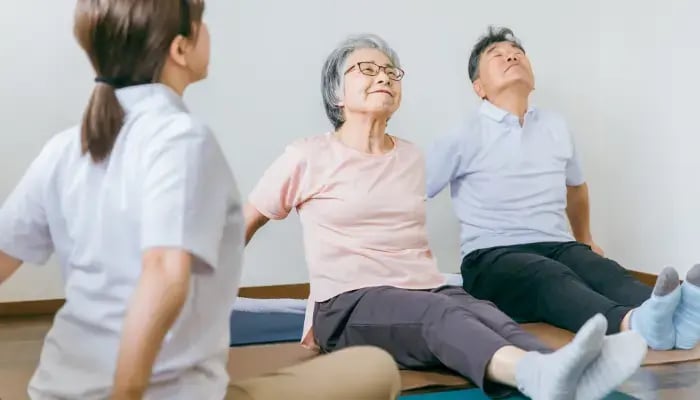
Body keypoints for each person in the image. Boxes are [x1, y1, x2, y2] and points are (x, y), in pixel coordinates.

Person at [0, 1, 400, 399]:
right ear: (180, 49)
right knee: (376, 368)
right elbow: (163, 272)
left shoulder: (66, 146)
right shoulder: (182, 140)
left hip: (52, 390)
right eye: (201, 23)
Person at [244, 32, 647, 400]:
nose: (383, 76)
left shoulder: (410, 156)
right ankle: (532, 373)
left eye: (390, 71)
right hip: (347, 303)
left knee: (484, 313)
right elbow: (246, 221)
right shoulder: (307, 155)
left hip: (424, 288)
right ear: (336, 93)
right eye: (367, 69)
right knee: (439, 314)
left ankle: (566, 370)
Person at [425, 26, 700, 352]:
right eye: (497, 55)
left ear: (533, 79)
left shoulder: (555, 126)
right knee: (549, 275)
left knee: (605, 272)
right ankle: (634, 324)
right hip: (492, 258)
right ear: (479, 87)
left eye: (517, 52)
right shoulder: (461, 135)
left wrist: (584, 239)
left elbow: (576, 188)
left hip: (558, 244)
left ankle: (684, 316)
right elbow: (411, 194)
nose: (511, 55)